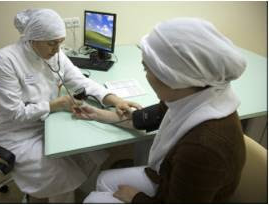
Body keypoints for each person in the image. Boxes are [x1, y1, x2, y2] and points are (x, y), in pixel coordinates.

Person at [73, 18, 247, 203]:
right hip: (169, 179)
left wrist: (136, 198)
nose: (145, 74)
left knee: (92, 200)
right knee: (102, 180)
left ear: (173, 78)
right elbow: (141, 120)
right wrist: (95, 113)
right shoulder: (194, 94)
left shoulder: (203, 147)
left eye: (146, 68)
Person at [0, 9, 141, 202]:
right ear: (33, 39)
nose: (57, 49)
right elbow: (15, 113)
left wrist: (114, 99)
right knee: (57, 176)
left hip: (50, 120)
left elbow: (80, 80)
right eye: (52, 43)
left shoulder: (55, 55)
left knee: (88, 148)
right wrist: (54, 105)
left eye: (60, 42)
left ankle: (85, 194)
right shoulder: (5, 60)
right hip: (18, 132)